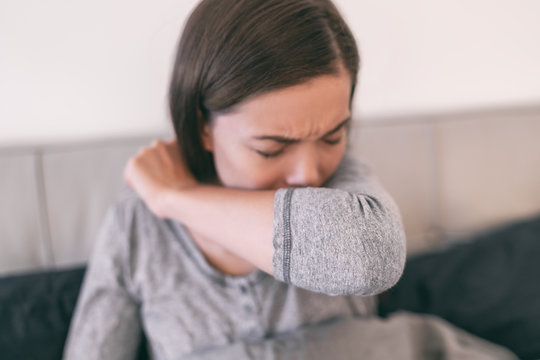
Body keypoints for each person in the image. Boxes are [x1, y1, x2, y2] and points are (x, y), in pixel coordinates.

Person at [63, 0, 518, 359]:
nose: (309, 174)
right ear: (203, 125)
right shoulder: (136, 228)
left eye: (333, 135)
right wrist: (161, 206)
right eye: (271, 149)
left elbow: (366, 259)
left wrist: (177, 197)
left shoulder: (348, 183)